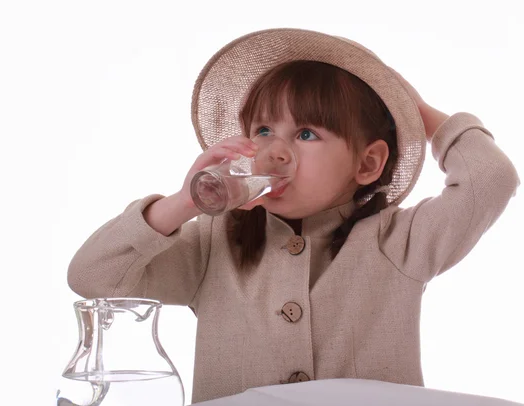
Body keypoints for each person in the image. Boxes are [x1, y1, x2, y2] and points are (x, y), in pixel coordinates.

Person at [67, 29, 519, 403]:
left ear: (367, 164)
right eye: (263, 130)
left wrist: (419, 114)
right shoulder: (211, 244)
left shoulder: (399, 240)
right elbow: (94, 275)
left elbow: (491, 179)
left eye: (306, 133)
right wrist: (186, 201)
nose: (274, 151)